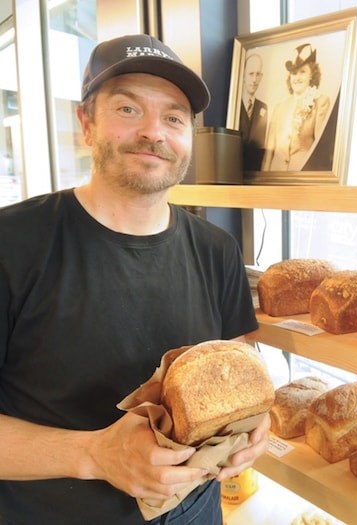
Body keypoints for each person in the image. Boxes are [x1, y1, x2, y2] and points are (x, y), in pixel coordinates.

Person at [0, 34, 269, 525]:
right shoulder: (12, 243)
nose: (154, 132)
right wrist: (93, 455)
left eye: (173, 117)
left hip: (198, 514)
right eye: (127, 109)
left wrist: (252, 428)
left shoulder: (218, 251)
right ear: (86, 123)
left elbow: (239, 373)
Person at [262, 43, 332, 171]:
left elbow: (321, 151)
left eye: (302, 72)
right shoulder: (279, 108)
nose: (297, 78)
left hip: (301, 180)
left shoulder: (321, 102)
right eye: (294, 73)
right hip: (275, 180)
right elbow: (268, 156)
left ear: (312, 74)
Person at [239, 53, 268, 171]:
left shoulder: (263, 107)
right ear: (244, 76)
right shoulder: (235, 107)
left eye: (258, 74)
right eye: (251, 74)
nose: (254, 80)